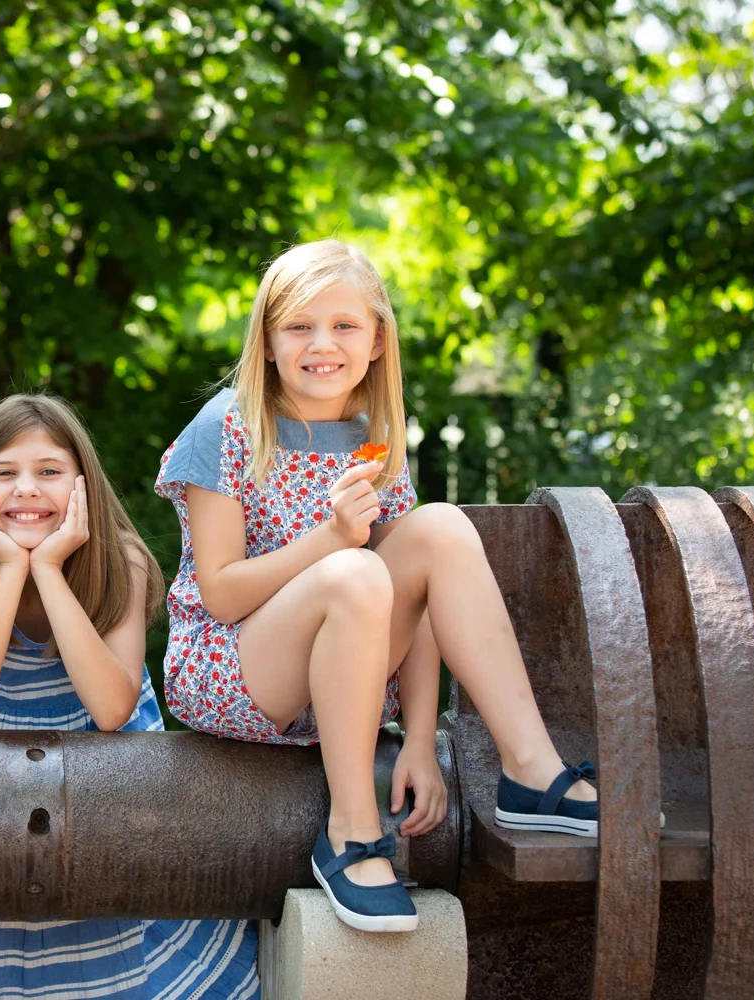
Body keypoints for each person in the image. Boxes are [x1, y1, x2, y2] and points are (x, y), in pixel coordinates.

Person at [154, 239, 598, 933]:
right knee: (355, 570)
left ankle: (531, 770)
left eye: (344, 325)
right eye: (299, 326)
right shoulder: (227, 427)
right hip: (234, 671)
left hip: (347, 678)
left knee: (440, 528)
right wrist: (331, 539)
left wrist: (418, 739)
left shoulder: (372, 437)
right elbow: (223, 594)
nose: (321, 344)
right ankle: (350, 832)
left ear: (377, 340)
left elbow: (415, 603)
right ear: (266, 342)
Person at [0, 393, 258, 1000]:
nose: (27, 489)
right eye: (5, 473)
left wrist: (50, 571)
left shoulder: (121, 559)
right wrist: (10, 570)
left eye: (49, 471)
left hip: (109, 821)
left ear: (82, 483)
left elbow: (111, 709)